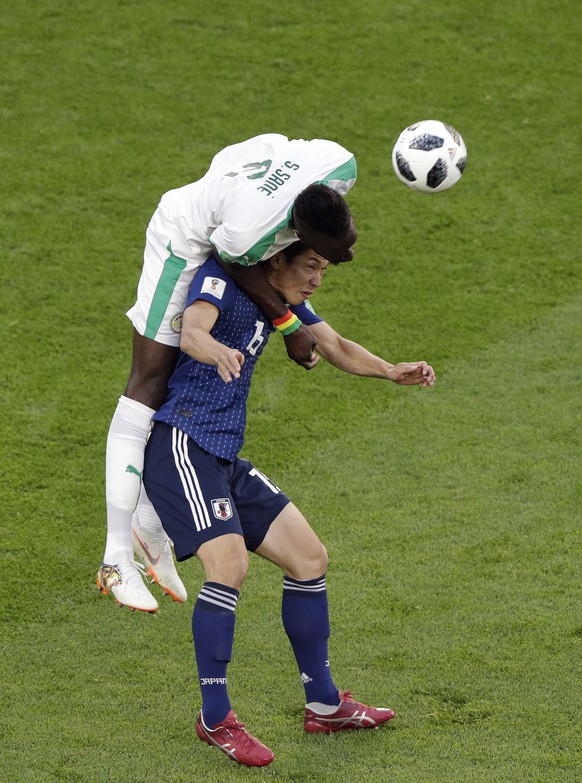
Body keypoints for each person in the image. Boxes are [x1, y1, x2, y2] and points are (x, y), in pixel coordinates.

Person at [142, 241, 435, 766]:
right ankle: (215, 718)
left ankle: (323, 705)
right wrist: (216, 351)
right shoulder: (222, 279)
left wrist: (392, 371)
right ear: (276, 258)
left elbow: (337, 345)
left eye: (323, 269)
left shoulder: (280, 300)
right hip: (182, 443)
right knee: (228, 566)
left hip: (223, 455)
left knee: (309, 558)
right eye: (311, 266)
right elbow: (192, 331)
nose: (318, 278)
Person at [97, 133, 358, 612]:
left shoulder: (338, 163)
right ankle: (116, 559)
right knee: (149, 383)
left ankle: (150, 526)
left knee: (177, 379)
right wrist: (287, 325)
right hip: (186, 240)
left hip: (234, 208)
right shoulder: (244, 235)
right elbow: (233, 263)